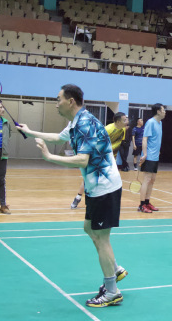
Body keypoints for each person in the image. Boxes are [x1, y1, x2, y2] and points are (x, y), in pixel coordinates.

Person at [17, 84, 127, 307]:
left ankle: (112, 291)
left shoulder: (85, 124)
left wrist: (49, 158)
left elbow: (82, 160)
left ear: (71, 101)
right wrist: (30, 132)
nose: (56, 103)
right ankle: (115, 269)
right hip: (95, 187)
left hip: (105, 188)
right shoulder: (77, 122)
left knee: (102, 238)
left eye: (58, 99)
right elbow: (59, 138)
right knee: (89, 228)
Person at [72, 112, 128, 209]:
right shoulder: (107, 129)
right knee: (90, 178)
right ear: (118, 121)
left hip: (111, 159)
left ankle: (106, 201)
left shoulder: (123, 129)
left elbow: (117, 144)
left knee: (111, 180)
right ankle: (78, 197)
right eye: (124, 120)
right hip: (99, 157)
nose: (127, 121)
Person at [139, 104, 165, 213]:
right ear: (158, 111)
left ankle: (147, 202)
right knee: (147, 179)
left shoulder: (160, 123)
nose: (165, 112)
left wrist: (158, 150)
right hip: (149, 156)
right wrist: (145, 154)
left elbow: (156, 139)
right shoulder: (150, 122)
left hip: (155, 156)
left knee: (152, 180)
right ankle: (141, 205)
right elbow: (145, 139)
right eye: (163, 110)